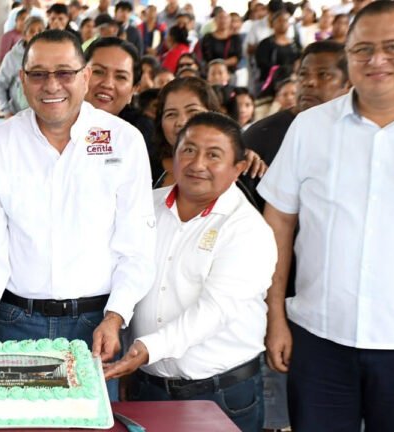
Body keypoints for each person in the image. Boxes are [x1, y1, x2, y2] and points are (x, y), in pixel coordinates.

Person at [258, 2, 394, 430]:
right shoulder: (310, 127)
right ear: (348, 55)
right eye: (363, 49)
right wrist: (275, 318)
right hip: (318, 340)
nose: (377, 60)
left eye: (393, 47)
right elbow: (278, 223)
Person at [0, 30, 157, 402]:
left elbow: (136, 247)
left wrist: (115, 316)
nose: (51, 85)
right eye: (38, 74)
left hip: (95, 326)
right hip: (14, 323)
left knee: (86, 423)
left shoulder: (123, 141)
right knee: (13, 424)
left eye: (64, 72)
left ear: (85, 76)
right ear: (22, 79)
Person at [104, 112, 277, 432]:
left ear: (238, 167)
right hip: (147, 387)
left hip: (220, 394)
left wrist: (146, 350)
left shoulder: (247, 230)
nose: (198, 164)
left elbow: (215, 310)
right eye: (189, 150)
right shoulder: (145, 207)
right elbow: (126, 274)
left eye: (214, 155)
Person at [241, 40, 349, 432]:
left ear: (348, 82)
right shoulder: (261, 135)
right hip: (276, 297)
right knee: (281, 412)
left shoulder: (359, 139)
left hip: (337, 303)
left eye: (324, 75)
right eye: (304, 74)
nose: (310, 83)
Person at [151, 78, 266, 188]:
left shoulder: (245, 167)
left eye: (192, 111)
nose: (181, 122)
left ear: (213, 115)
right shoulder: (145, 167)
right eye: (171, 114)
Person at [84, 37, 154, 158]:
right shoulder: (51, 127)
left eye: (121, 77)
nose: (107, 84)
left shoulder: (135, 138)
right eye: (98, 72)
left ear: (133, 90)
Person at [0, 16, 44, 117]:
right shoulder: (12, 57)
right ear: (24, 35)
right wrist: (5, 109)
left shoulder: (50, 56)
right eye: (32, 31)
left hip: (44, 115)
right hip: (18, 114)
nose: (36, 34)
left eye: (40, 31)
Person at [255, 10, 302, 93]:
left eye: (286, 20)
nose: (283, 23)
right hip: (271, 83)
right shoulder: (265, 44)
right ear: (272, 24)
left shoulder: (295, 43)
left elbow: (300, 59)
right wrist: (282, 70)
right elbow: (262, 64)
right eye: (280, 20)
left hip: (293, 82)